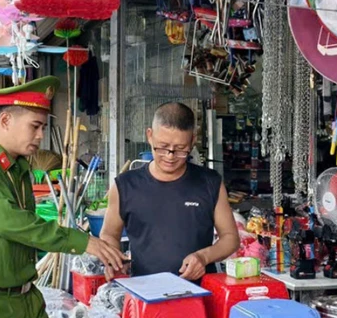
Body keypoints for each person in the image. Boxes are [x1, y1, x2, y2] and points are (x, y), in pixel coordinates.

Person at [0, 76, 126, 318]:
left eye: (43, 127)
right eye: (35, 126)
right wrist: (83, 241)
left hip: (27, 300)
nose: (41, 135)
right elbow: (15, 224)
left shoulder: (19, 169)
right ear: (6, 120)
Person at [101, 102, 240, 282]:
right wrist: (114, 260)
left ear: (192, 141)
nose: (170, 156)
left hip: (198, 295)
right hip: (144, 294)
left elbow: (230, 238)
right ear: (149, 136)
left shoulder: (210, 183)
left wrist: (203, 257)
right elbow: (109, 234)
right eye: (162, 146)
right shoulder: (125, 186)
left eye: (181, 149)